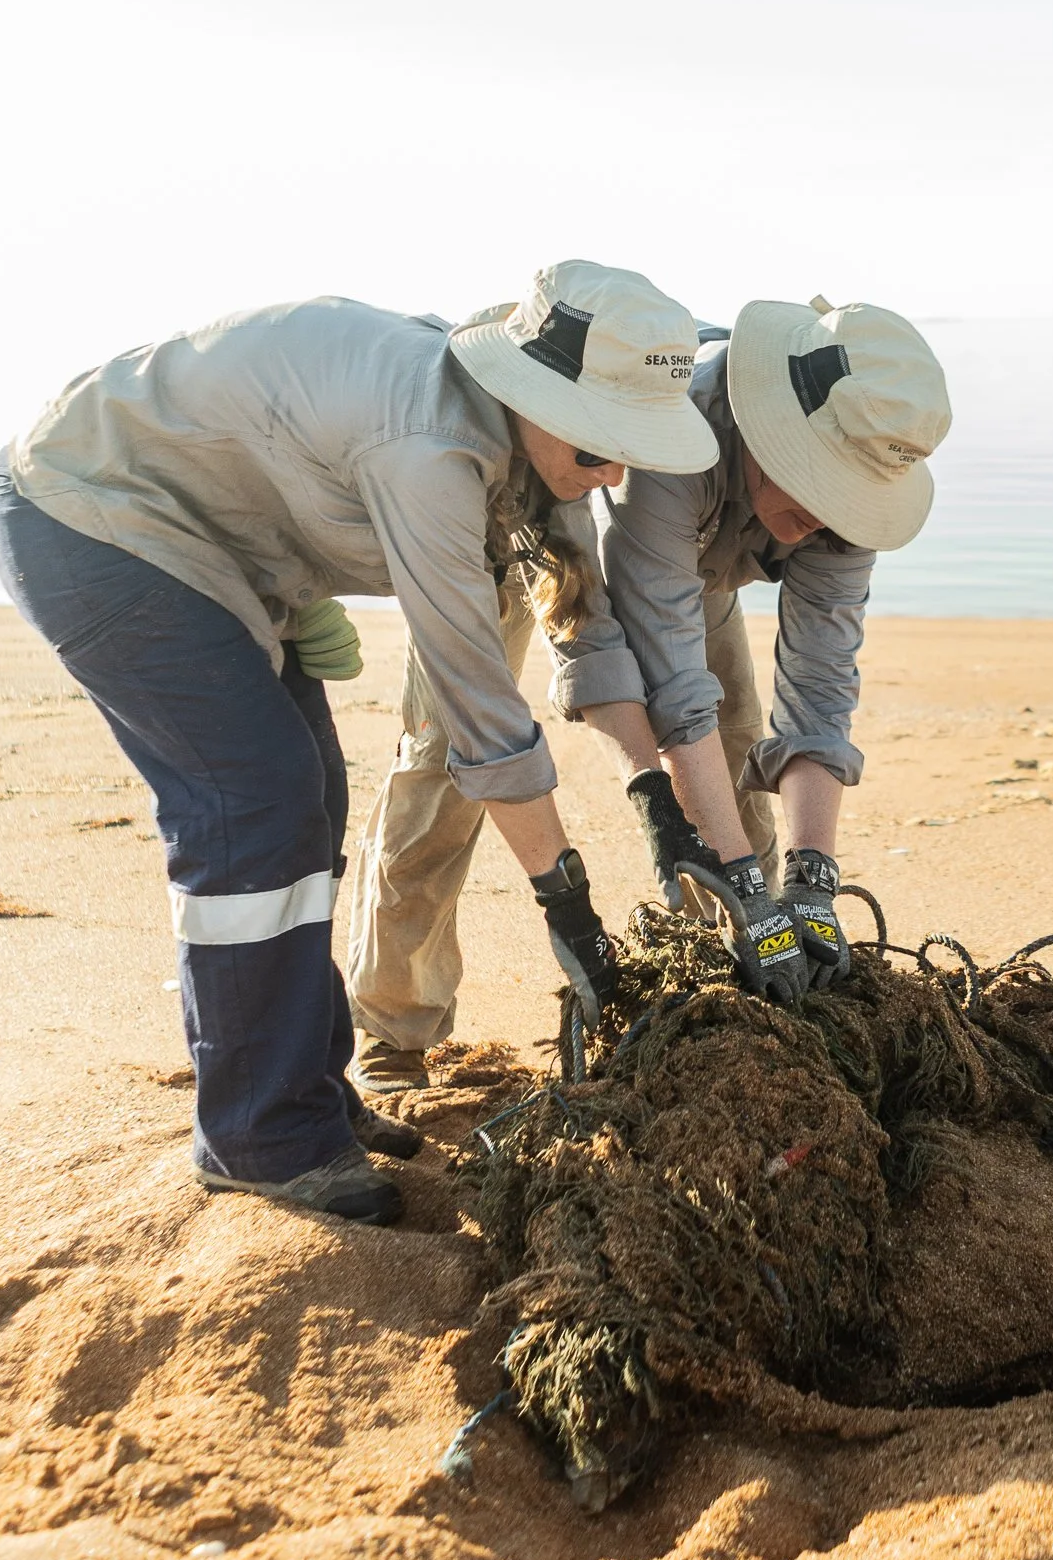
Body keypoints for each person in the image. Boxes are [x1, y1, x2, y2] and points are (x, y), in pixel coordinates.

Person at [0, 265, 717, 1225]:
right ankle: (259, 1137)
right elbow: (479, 709)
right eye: (600, 447)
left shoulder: (521, 438)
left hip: (221, 551)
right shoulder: (430, 448)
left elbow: (581, 621)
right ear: (536, 395)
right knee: (254, 807)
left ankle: (304, 1090)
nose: (615, 474)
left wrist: (655, 798)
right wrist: (566, 906)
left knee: (311, 797)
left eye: (631, 448)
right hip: (90, 519)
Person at [345, 293, 951, 1069]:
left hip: (692, 569)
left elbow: (820, 687)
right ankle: (395, 1028)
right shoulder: (678, 431)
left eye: (849, 505)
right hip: (521, 528)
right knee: (450, 771)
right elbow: (663, 686)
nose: (831, 523)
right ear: (770, 442)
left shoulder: (860, 477)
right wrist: (662, 804)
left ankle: (739, 977)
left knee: (734, 775)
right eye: (819, 492)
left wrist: (810, 883)